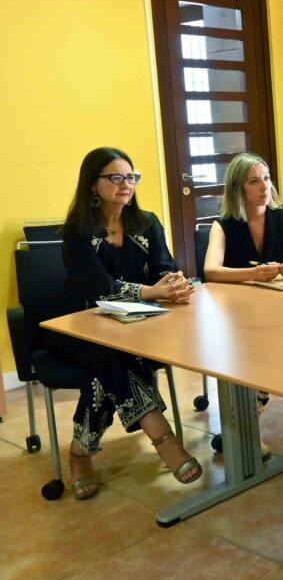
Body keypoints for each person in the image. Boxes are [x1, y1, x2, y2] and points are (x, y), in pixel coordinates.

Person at [50, 147, 203, 500]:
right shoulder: (76, 232)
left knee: (111, 360)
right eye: (115, 177)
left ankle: (80, 451)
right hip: (77, 325)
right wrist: (151, 291)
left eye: (131, 176)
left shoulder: (146, 222)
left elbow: (164, 265)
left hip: (136, 323)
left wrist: (173, 285)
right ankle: (164, 439)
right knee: (113, 354)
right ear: (93, 185)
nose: (126, 184)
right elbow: (99, 289)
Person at [203, 152, 283, 455]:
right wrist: (253, 273)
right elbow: (210, 270)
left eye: (267, 178)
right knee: (268, 348)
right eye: (254, 181)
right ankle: (250, 426)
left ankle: (270, 419)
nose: (264, 187)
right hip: (240, 317)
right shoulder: (223, 225)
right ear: (238, 188)